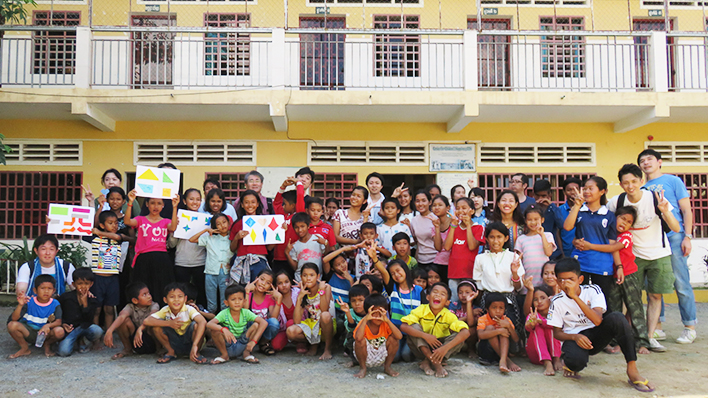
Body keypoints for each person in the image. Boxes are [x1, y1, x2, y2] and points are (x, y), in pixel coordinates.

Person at [548, 258, 654, 392]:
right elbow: (557, 333)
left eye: (571, 279)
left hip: (596, 334)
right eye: (562, 280)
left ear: (580, 280)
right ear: (557, 281)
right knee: (576, 363)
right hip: (575, 338)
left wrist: (575, 297)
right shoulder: (557, 301)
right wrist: (575, 337)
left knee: (618, 318)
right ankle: (569, 364)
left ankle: (632, 368)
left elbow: (597, 321)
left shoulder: (593, 290)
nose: (566, 284)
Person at [607, 164, 680, 352]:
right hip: (633, 256)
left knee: (655, 295)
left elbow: (676, 228)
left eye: (634, 181)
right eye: (626, 182)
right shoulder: (617, 201)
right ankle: (627, 337)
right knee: (631, 299)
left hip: (659, 253)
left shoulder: (654, 198)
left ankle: (648, 338)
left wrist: (665, 211)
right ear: (621, 184)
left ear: (641, 181)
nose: (630, 186)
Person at [639, 149, 698, 344]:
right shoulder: (643, 188)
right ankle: (658, 327)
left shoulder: (673, 181)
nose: (646, 163)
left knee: (681, 282)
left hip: (674, 236)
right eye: (642, 160)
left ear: (659, 162)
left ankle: (689, 326)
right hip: (654, 240)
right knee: (654, 283)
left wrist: (687, 236)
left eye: (649, 159)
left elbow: (686, 210)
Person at [563, 177, 621, 313]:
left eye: (591, 188)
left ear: (602, 191)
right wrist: (577, 205)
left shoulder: (609, 215)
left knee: (601, 303)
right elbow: (567, 227)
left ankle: (601, 333)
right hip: (580, 262)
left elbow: (613, 246)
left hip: (602, 265)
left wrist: (619, 266)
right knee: (576, 300)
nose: (587, 191)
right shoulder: (579, 210)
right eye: (585, 188)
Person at [400, 283, 471, 378]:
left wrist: (444, 349)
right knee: (414, 326)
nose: (438, 295)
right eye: (435, 292)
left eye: (442, 294)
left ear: (447, 302)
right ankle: (437, 364)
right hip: (421, 347)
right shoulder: (421, 309)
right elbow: (403, 327)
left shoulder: (449, 315)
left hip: (440, 350)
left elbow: (466, 332)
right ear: (428, 297)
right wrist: (425, 336)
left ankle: (426, 362)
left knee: (459, 335)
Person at [473, 222, 525, 345]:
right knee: (490, 330)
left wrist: (514, 273)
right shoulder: (480, 258)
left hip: (508, 300)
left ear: (506, 238)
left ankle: (510, 353)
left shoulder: (513, 257)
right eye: (492, 237)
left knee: (508, 330)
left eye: (499, 237)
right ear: (486, 239)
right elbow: (479, 284)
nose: (495, 241)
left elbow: (519, 287)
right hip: (488, 300)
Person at [125, 189, 179, 306]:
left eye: (159, 203)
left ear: (163, 205)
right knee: (144, 288)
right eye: (153, 203)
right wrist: (130, 202)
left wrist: (175, 207)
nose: (156, 206)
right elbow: (127, 221)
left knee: (162, 288)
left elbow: (173, 227)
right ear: (147, 204)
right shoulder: (140, 219)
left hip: (162, 259)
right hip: (143, 259)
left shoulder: (165, 221)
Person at [374, 256, 423, 363]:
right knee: (394, 358)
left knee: (406, 356)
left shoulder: (418, 290)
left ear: (405, 269)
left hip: (412, 331)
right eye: (392, 273)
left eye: (398, 271)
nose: (396, 275)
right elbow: (383, 271)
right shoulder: (392, 288)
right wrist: (374, 258)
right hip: (396, 330)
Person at [144, 282, 208, 364]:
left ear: (185, 299)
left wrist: (195, 345)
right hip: (175, 343)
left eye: (180, 296)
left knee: (195, 326)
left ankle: (196, 353)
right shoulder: (165, 310)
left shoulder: (189, 309)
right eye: (172, 297)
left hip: (191, 342)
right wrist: (169, 323)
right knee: (156, 326)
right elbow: (147, 321)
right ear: (165, 300)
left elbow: (202, 321)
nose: (176, 300)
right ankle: (171, 352)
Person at [7, 275, 65, 358]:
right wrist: (20, 305)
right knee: (12, 325)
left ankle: (47, 344)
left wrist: (47, 325)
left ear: (54, 291)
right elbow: (14, 319)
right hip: (29, 331)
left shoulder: (55, 303)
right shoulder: (29, 301)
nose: (46, 291)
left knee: (59, 331)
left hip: (46, 333)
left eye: (49, 288)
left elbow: (59, 321)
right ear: (35, 290)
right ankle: (25, 348)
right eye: (42, 288)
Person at [208, 284, 268, 364]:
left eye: (240, 299)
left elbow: (264, 322)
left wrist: (254, 341)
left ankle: (246, 353)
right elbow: (209, 324)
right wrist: (223, 329)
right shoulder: (224, 313)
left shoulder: (246, 312)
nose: (237, 302)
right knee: (214, 330)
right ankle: (224, 355)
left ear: (244, 301)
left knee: (256, 325)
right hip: (228, 344)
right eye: (233, 299)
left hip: (244, 344)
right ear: (226, 303)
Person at [286, 263, 335, 360]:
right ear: (301, 277)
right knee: (291, 331)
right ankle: (314, 344)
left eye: (312, 275)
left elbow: (324, 310)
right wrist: (300, 297)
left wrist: (321, 291)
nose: (308, 278)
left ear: (318, 276)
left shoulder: (326, 287)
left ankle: (327, 349)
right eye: (305, 275)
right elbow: (297, 321)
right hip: (313, 324)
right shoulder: (303, 291)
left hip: (326, 324)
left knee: (325, 315)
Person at [170, 189, 207, 308]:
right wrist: (175, 229)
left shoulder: (206, 219)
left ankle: (201, 317)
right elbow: (171, 244)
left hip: (200, 262)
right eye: (191, 199)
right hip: (182, 262)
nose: (195, 202)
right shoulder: (178, 218)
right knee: (181, 293)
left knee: (201, 293)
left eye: (198, 199)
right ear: (185, 201)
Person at [103, 281, 160, 359]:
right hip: (136, 341)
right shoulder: (130, 307)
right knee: (124, 320)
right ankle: (128, 349)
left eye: (149, 293)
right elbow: (121, 317)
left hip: (151, 339)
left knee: (154, 323)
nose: (149, 296)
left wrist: (140, 329)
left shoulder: (154, 305)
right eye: (144, 295)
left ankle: (160, 349)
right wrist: (110, 331)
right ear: (135, 300)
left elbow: (152, 316)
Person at [190, 212, 233, 314]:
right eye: (218, 224)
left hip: (226, 272)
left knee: (225, 302)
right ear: (214, 226)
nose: (222, 225)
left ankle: (224, 323)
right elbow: (192, 239)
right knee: (211, 303)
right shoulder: (210, 237)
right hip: (210, 272)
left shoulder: (232, 238)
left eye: (224, 222)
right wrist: (205, 230)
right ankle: (210, 325)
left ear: (228, 222)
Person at [353, 293, 403, 378]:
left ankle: (387, 367)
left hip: (381, 354)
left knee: (394, 339)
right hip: (366, 355)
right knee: (359, 341)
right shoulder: (363, 323)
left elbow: (399, 336)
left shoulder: (385, 323)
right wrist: (365, 319)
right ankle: (363, 368)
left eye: (381, 312)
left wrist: (387, 320)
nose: (378, 316)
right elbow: (358, 338)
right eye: (374, 313)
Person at [445, 197, 485, 303]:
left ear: (471, 211)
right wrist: (453, 225)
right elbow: (447, 247)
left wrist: (468, 226)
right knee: (454, 303)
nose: (460, 211)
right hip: (454, 273)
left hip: (470, 273)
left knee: (469, 303)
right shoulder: (454, 227)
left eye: (464, 208)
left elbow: (472, 246)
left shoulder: (478, 228)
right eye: (458, 208)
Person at [229, 190, 273, 284]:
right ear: (242, 205)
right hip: (242, 261)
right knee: (243, 290)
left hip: (260, 260)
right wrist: (237, 237)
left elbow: (269, 247)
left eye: (253, 202)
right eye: (246, 202)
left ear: (257, 204)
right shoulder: (237, 224)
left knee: (259, 288)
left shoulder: (265, 222)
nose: (250, 205)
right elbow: (232, 248)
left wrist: (278, 234)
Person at [88, 211, 123, 329]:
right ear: (102, 225)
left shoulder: (117, 239)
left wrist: (100, 232)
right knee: (96, 310)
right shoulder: (95, 239)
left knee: (109, 309)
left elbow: (118, 236)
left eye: (116, 223)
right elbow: (88, 224)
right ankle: (96, 339)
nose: (114, 226)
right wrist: (96, 205)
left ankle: (109, 335)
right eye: (110, 223)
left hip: (112, 279)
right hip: (97, 279)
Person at [57, 268, 102, 357]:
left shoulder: (92, 300)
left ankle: (82, 339)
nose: (83, 286)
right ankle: (75, 340)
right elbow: (58, 312)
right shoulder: (66, 297)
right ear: (73, 284)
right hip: (70, 329)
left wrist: (85, 303)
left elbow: (89, 319)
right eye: (79, 283)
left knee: (97, 330)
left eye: (86, 284)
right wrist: (62, 324)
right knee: (64, 352)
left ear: (91, 284)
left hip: (84, 327)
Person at [15, 235, 75, 300]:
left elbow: (75, 288)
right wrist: (21, 294)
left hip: (58, 307)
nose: (47, 253)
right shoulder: (27, 267)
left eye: (51, 249)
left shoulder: (66, 266)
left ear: (56, 251)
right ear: (36, 251)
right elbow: (21, 287)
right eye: (43, 249)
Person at [477, 292, 521, 373]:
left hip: (505, 351)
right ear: (487, 309)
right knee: (490, 328)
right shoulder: (483, 319)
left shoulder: (506, 320)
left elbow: (516, 339)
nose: (497, 311)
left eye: (501, 308)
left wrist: (508, 327)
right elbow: (480, 335)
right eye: (494, 308)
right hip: (487, 353)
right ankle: (507, 361)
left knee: (503, 328)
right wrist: (499, 331)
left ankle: (503, 361)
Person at [523, 284, 562, 375]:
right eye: (535, 299)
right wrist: (531, 324)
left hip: (553, 352)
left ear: (550, 299)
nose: (539, 301)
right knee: (538, 327)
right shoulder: (533, 315)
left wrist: (541, 321)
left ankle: (556, 358)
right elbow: (528, 327)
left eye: (542, 298)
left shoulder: (555, 313)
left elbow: (559, 326)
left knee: (552, 326)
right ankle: (547, 363)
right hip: (536, 354)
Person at [514, 206, 556, 290]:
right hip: (527, 280)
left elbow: (548, 252)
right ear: (525, 221)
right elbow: (518, 261)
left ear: (542, 220)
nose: (533, 222)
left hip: (544, 282)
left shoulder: (547, 235)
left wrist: (542, 235)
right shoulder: (521, 239)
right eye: (529, 220)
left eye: (536, 219)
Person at [244, 270, 282, 356]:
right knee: (252, 322)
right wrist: (247, 292)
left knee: (274, 323)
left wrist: (279, 299)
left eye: (268, 283)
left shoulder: (269, 298)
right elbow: (244, 313)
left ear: (270, 287)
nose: (263, 283)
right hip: (249, 329)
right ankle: (246, 346)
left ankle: (263, 343)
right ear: (256, 279)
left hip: (262, 330)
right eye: (262, 279)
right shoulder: (248, 294)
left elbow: (274, 318)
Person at [273, 180, 306, 277]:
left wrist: (299, 183)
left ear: (292, 206)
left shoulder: (298, 215)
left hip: (292, 257)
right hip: (278, 257)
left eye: (285, 203)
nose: (282, 206)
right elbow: (276, 203)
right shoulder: (282, 214)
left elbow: (300, 196)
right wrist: (282, 187)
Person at [287, 212, 326, 281]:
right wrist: (287, 253)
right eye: (296, 227)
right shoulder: (294, 245)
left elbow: (327, 255)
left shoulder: (318, 238)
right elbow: (295, 267)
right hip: (300, 281)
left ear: (308, 226)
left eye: (302, 226)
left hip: (316, 280)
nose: (300, 230)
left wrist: (325, 243)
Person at [338, 284, 370, 365]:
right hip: (353, 342)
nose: (357, 303)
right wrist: (348, 313)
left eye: (360, 300)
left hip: (368, 340)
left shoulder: (370, 312)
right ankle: (354, 359)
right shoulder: (350, 312)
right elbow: (351, 330)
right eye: (353, 301)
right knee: (353, 335)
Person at [448, 280, 480, 358]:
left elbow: (471, 323)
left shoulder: (477, 309)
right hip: (455, 332)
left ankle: (471, 349)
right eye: (460, 292)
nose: (464, 295)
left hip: (468, 336)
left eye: (467, 292)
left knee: (473, 329)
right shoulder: (454, 305)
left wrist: (469, 302)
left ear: (474, 294)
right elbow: (451, 323)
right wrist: (466, 317)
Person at [532, 179, 563, 259]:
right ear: (533, 195)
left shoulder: (554, 209)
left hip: (553, 252)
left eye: (543, 196)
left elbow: (562, 225)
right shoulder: (530, 209)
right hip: (534, 251)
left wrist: (551, 205)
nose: (540, 199)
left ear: (550, 195)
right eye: (537, 196)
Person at [271, 271, 301, 352]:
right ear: (275, 286)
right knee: (276, 346)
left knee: (290, 323)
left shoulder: (298, 292)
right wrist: (279, 300)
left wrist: (304, 287)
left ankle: (301, 342)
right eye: (280, 283)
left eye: (286, 282)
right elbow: (273, 319)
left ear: (291, 282)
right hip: (284, 329)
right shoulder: (274, 298)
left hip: (299, 326)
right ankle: (291, 339)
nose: (284, 285)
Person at [410, 190, 438, 270]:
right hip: (421, 260)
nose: (420, 204)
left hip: (435, 259)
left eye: (424, 200)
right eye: (417, 201)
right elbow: (416, 241)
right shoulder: (414, 220)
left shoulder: (436, 218)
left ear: (430, 202)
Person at [557, 177, 582, 257]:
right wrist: (562, 253)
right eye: (569, 190)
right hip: (566, 253)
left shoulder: (587, 209)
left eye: (576, 189)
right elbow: (558, 233)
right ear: (564, 192)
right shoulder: (559, 210)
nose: (573, 192)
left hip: (583, 252)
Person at [431, 195, 452, 276]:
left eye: (440, 205)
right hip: (439, 262)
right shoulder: (434, 226)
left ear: (448, 208)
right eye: (434, 205)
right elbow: (438, 248)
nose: (436, 208)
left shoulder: (455, 223)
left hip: (452, 263)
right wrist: (437, 227)